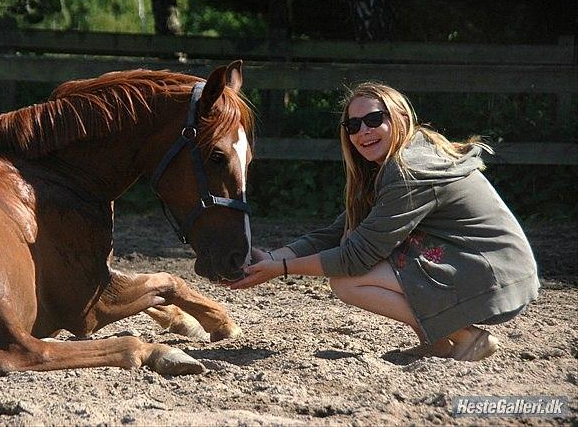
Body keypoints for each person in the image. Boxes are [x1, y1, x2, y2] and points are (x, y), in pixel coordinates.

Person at [230, 82, 540, 361]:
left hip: (495, 277)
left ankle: (466, 337)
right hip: (491, 268)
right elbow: (337, 231)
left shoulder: (408, 172)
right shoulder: (393, 162)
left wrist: (280, 269)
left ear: (401, 118)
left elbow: (355, 258)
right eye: (352, 124)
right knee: (386, 250)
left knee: (348, 281)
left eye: (374, 119)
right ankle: (438, 342)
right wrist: (271, 258)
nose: (362, 130)